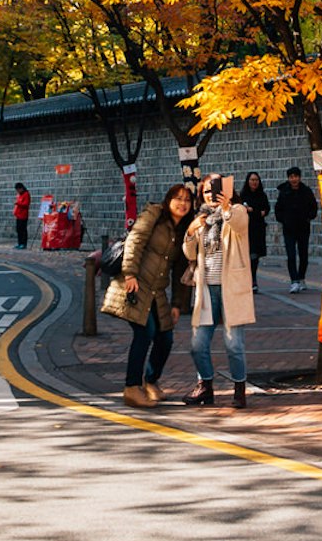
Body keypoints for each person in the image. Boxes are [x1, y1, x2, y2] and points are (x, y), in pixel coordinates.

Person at [101, 183, 193, 408]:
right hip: (133, 284)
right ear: (168, 199)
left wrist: (177, 304)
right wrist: (130, 273)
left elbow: (181, 270)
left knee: (166, 337)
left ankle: (151, 382)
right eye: (178, 198)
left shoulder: (184, 230)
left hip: (156, 291)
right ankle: (132, 388)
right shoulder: (154, 214)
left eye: (187, 200)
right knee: (145, 333)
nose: (182, 203)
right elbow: (135, 241)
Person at [181, 173, 253, 409]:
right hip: (206, 289)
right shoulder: (201, 219)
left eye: (215, 190)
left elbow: (239, 224)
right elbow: (190, 254)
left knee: (233, 344)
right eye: (206, 192)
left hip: (231, 288)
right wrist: (191, 232)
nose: (210, 196)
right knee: (198, 344)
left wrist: (226, 207)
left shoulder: (237, 210)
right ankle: (206, 387)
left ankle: (239, 389)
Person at [275, 166, 319, 294]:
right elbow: (278, 209)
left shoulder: (306, 191)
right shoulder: (283, 191)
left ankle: (301, 277)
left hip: (303, 228)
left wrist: (308, 217)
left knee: (303, 254)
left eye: (296, 176)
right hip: (289, 228)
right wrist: (283, 219)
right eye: (291, 177)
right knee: (291, 255)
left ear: (299, 177)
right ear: (288, 178)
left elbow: (313, 207)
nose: (293, 179)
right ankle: (294, 281)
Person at [236, 171, 270, 278]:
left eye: (256, 180)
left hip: (258, 229)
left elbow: (266, 210)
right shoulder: (243, 195)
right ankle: (249, 278)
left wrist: (253, 210)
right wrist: (257, 212)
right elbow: (243, 210)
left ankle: (253, 278)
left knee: (255, 256)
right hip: (247, 229)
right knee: (248, 255)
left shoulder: (262, 195)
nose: (254, 182)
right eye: (252, 180)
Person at [13, 182, 31, 249]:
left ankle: (23, 243)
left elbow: (26, 204)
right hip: (18, 214)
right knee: (18, 229)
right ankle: (19, 242)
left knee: (23, 230)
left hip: (23, 215)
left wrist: (18, 203)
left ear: (21, 188)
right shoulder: (19, 195)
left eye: (18, 190)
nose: (17, 191)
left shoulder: (26, 194)